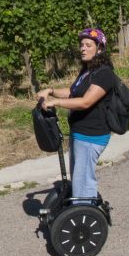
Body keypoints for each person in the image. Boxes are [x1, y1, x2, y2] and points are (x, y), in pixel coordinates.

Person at [36, 28, 116, 205]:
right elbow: (72, 93)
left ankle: (84, 222)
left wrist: (55, 102)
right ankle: (80, 210)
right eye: (81, 45)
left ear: (100, 49)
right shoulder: (87, 70)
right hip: (79, 134)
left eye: (88, 45)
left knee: (83, 183)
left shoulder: (104, 73)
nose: (83, 48)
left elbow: (86, 101)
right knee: (79, 179)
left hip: (91, 136)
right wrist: (51, 91)